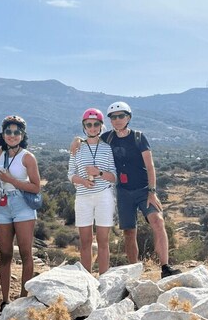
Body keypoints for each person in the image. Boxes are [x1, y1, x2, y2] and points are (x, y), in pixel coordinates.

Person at [71, 101, 181, 278]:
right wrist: (77, 140)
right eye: (114, 117)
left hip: (144, 189)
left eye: (121, 116)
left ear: (128, 117)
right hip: (123, 192)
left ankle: (165, 267)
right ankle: (134, 271)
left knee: (158, 221)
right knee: (129, 232)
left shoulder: (138, 137)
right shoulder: (108, 138)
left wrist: (152, 192)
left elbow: (150, 166)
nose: (117, 120)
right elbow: (90, 137)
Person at [0, 115, 41, 315]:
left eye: (16, 132)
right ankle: (4, 301)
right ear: (3, 134)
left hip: (22, 204)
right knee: (5, 254)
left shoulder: (27, 157)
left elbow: (36, 187)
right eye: (8, 132)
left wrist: (11, 180)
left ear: (22, 135)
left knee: (25, 253)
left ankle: (23, 300)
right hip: (3, 204)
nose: (12, 135)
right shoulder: (0, 154)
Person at [68, 108, 117, 274]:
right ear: (84, 126)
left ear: (101, 126)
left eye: (96, 124)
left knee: (103, 241)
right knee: (85, 242)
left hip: (104, 196)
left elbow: (114, 177)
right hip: (82, 197)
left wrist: (99, 173)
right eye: (89, 124)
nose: (92, 127)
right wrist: (82, 181)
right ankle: (86, 280)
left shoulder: (108, 148)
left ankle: (103, 280)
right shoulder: (77, 147)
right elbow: (70, 174)